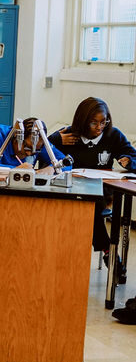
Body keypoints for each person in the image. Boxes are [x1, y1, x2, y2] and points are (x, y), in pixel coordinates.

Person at [49, 97, 136, 283]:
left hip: (101, 191)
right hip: (70, 190)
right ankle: (108, 252)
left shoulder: (113, 135)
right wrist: (55, 139)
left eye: (103, 122)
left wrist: (129, 161)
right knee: (87, 201)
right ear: (82, 120)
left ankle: (106, 250)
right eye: (94, 122)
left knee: (91, 202)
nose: (99, 127)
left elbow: (132, 155)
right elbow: (43, 152)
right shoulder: (68, 134)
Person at [0, 117, 67, 171]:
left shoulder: (37, 142)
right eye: (26, 147)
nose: (30, 153)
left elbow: (66, 162)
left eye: (35, 151)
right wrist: (13, 170)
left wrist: (52, 169)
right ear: (17, 137)